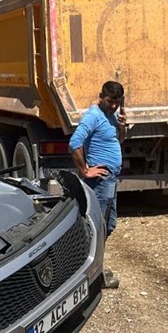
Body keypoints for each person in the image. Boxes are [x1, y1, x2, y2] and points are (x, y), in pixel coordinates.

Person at [70, 80, 126, 288]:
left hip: (110, 180)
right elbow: (75, 143)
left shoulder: (110, 116)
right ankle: (90, 273)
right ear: (101, 97)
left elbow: (117, 141)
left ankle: (93, 267)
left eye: (117, 102)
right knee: (96, 226)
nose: (113, 106)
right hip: (100, 181)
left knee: (107, 225)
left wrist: (122, 127)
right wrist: (85, 170)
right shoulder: (93, 116)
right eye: (110, 101)